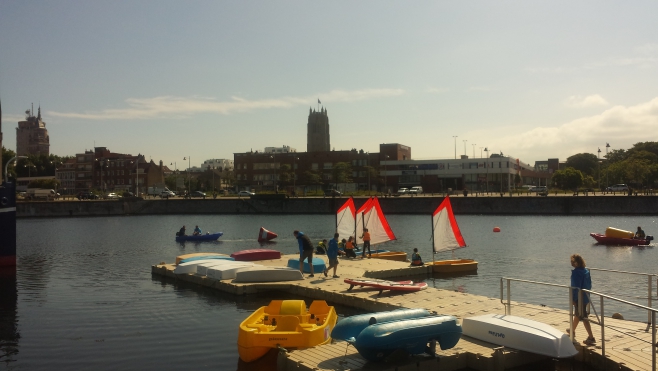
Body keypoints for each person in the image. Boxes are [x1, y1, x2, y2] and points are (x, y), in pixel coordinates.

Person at [568, 254, 596, 346]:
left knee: (583, 317)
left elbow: (576, 287)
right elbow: (589, 284)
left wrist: (573, 299)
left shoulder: (577, 273)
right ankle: (572, 330)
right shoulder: (586, 271)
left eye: (573, 261)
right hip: (585, 296)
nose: (571, 263)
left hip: (579, 297)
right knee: (577, 314)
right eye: (571, 261)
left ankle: (591, 338)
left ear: (577, 262)